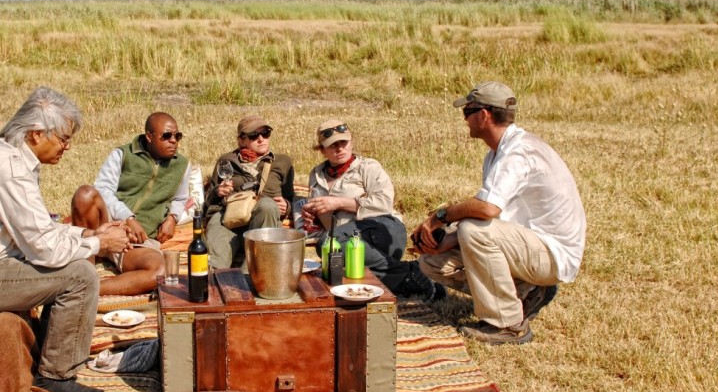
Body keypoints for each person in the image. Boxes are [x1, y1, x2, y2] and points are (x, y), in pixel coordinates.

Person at [0, 87, 130, 392]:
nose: (67, 147)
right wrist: (99, 245)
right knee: (80, 276)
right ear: (36, 134)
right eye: (63, 138)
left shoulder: (8, 157)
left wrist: (89, 235)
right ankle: (56, 376)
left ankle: (49, 349)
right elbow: (43, 248)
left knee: (74, 260)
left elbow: (39, 229)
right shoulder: (10, 170)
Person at [412, 81, 587, 345]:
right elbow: (491, 217)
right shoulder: (498, 153)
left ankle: (509, 324)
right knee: (432, 263)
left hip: (552, 253)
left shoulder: (518, 152)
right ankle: (523, 293)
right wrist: (447, 241)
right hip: (528, 244)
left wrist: (440, 217)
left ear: (483, 115)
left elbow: (487, 209)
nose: (465, 121)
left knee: (471, 229)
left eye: (467, 113)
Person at [302, 119, 442, 300]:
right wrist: (313, 217)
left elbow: (383, 203)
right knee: (343, 265)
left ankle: (409, 273)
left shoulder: (368, 167)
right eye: (332, 145)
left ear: (351, 142)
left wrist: (339, 203)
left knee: (329, 244)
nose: (340, 149)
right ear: (322, 149)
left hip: (384, 229)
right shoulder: (316, 174)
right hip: (347, 240)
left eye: (343, 143)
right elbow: (326, 215)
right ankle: (414, 276)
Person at [71, 112, 191, 294]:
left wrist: (172, 218)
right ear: (149, 136)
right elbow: (103, 190)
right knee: (85, 194)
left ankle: (89, 289)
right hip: (106, 226)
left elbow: (181, 198)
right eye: (166, 136)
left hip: (137, 242)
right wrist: (127, 217)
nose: (173, 140)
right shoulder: (122, 154)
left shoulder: (182, 165)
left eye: (177, 136)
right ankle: (85, 268)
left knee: (160, 271)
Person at [204, 115, 295, 270]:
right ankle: (215, 284)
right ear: (241, 140)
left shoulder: (282, 162)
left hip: (263, 220)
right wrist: (217, 192)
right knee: (216, 265)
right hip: (228, 219)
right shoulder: (226, 160)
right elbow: (208, 201)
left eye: (265, 133)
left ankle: (251, 275)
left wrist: (287, 206)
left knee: (266, 205)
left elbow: (290, 197)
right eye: (254, 136)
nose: (261, 139)